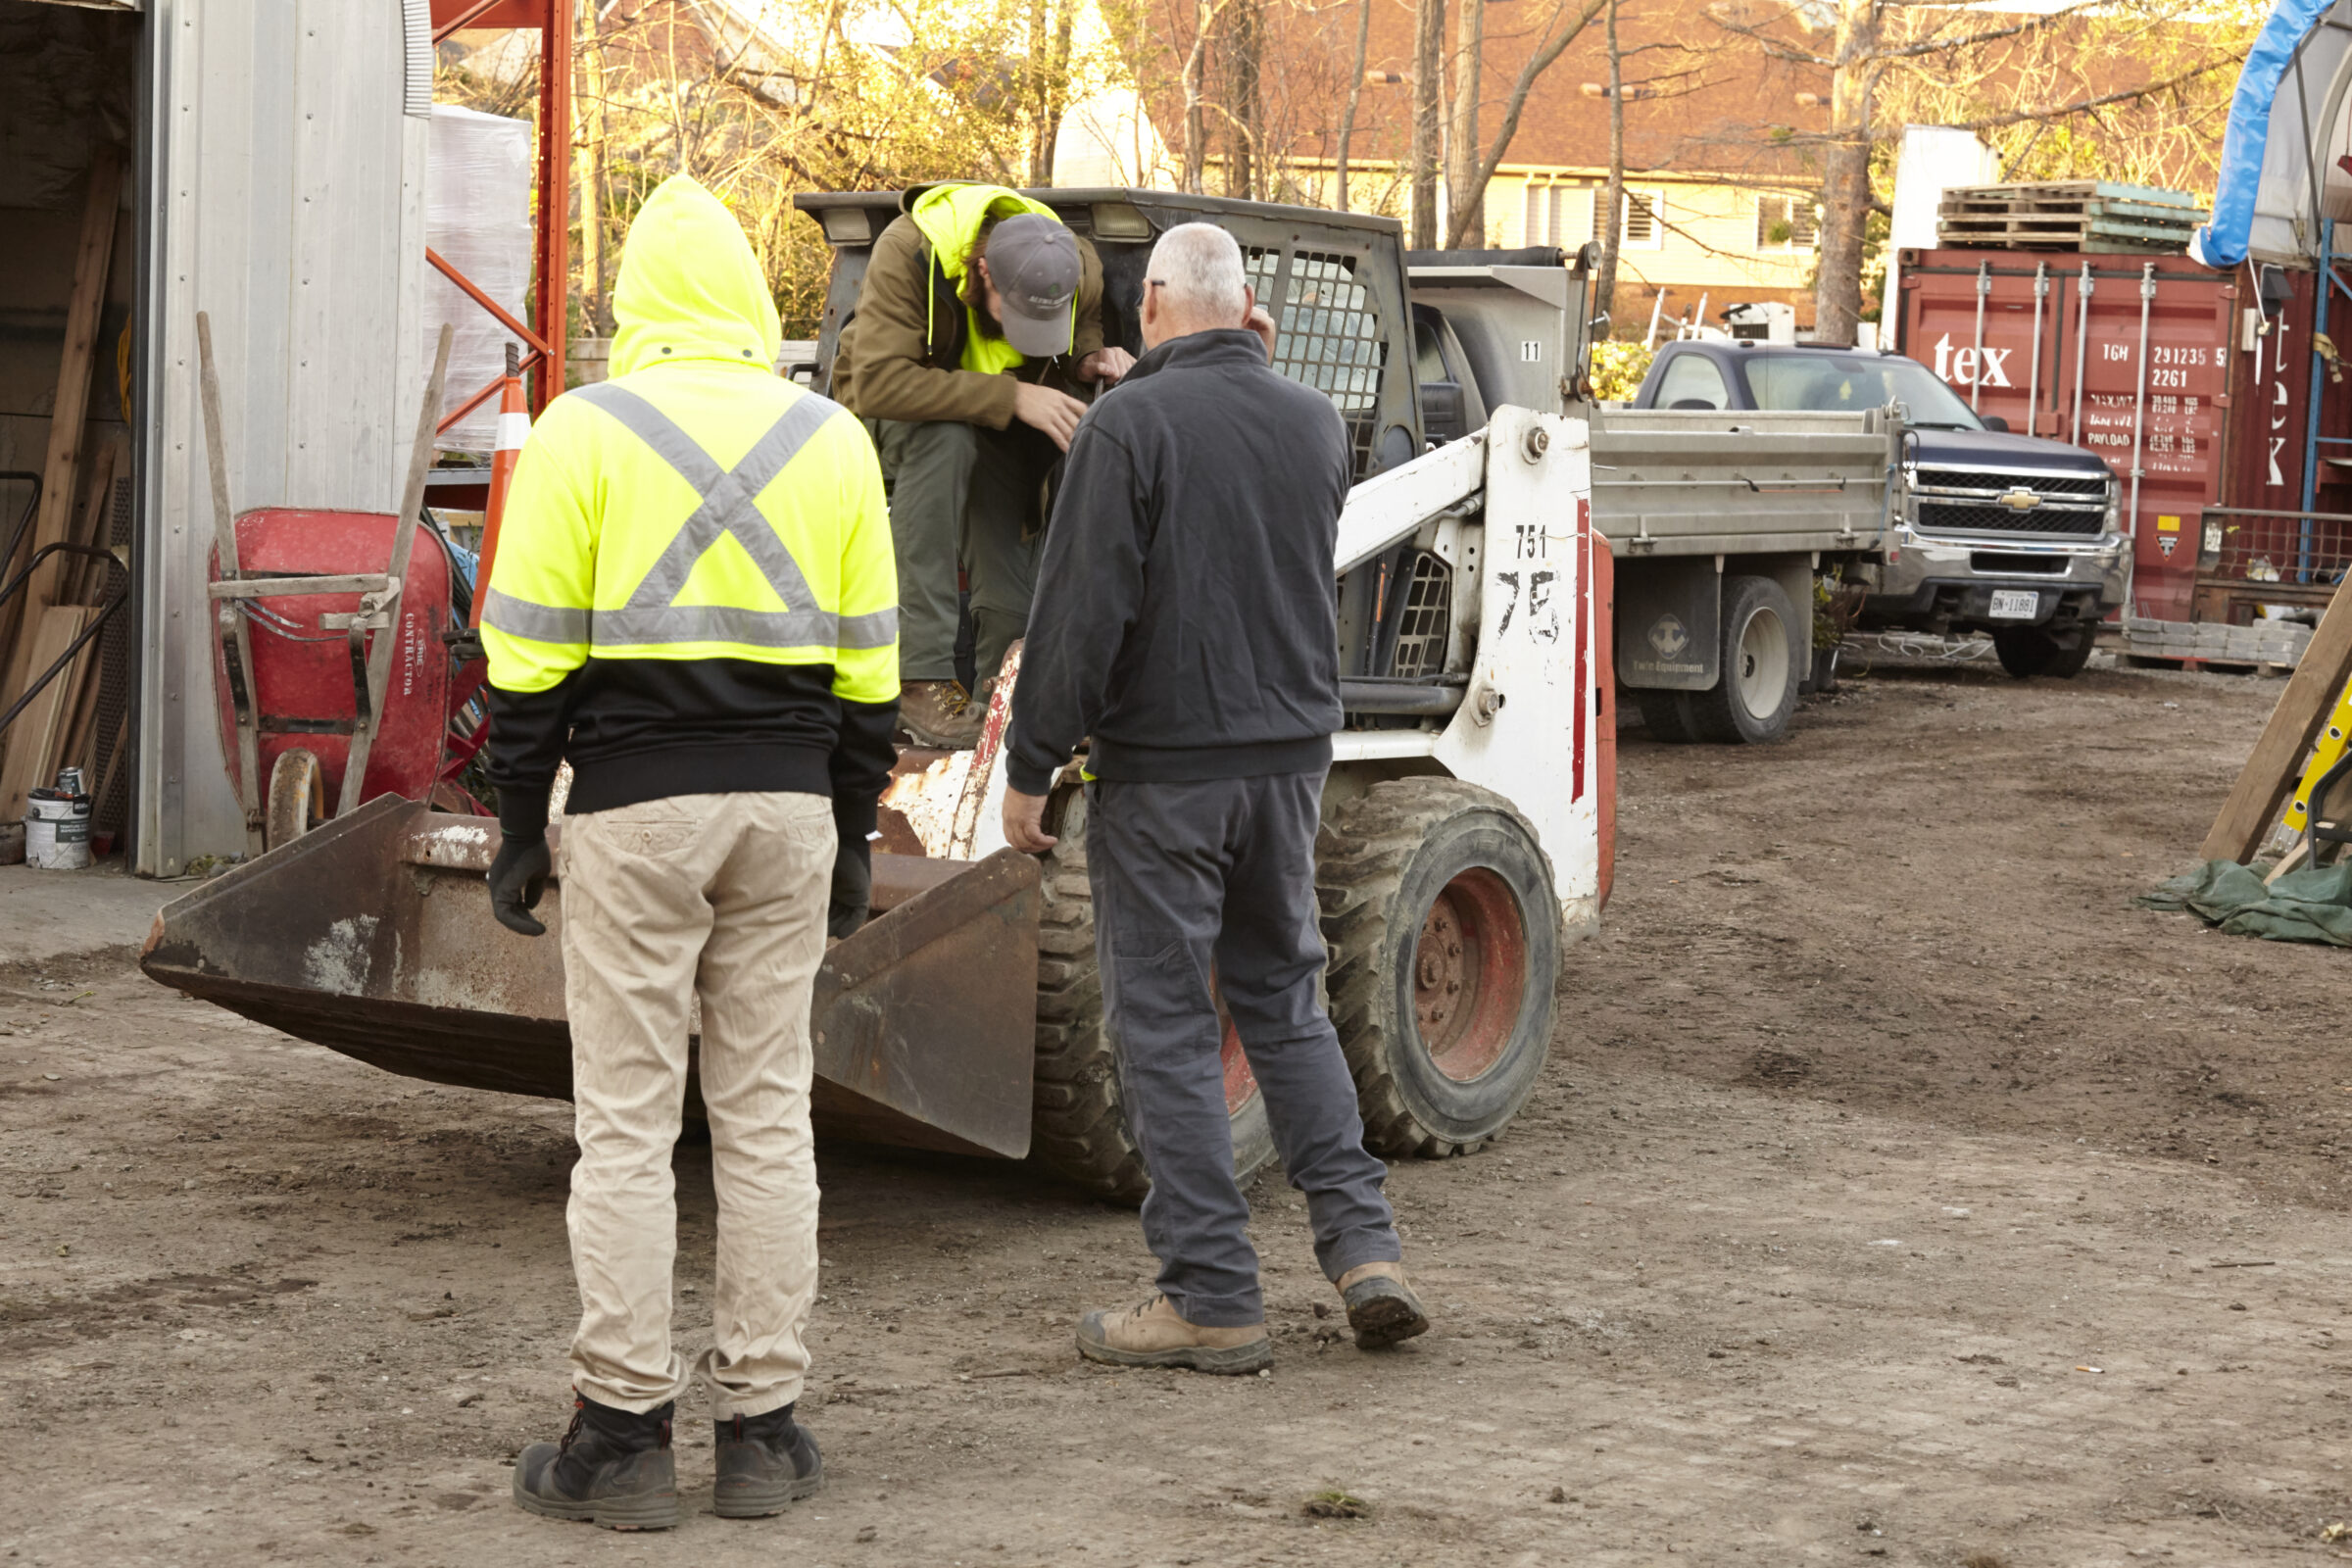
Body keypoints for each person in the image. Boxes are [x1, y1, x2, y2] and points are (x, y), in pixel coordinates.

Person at [477, 173, 900, 1529]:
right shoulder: (833, 438)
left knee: (627, 1130)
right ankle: (765, 1434)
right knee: (769, 1115)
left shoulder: (579, 433)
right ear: (748, 300)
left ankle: (624, 1435)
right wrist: (846, 836)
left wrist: (514, 829)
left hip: (634, 813)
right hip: (786, 809)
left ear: (639, 305)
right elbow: (872, 676)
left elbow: (525, 661)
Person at [1000, 221, 1429, 1374]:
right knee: (1286, 1003)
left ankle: (1211, 1297)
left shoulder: (1128, 425)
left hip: (1171, 772)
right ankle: (1365, 1251)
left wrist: (1029, 765)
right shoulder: (1310, 424)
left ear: (1147, 314)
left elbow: (1084, 611)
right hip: (1289, 761)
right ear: (1252, 313)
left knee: (1168, 1025)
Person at [831, 183, 1133, 748]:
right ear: (985, 272)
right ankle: (919, 678)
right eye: (1015, 316)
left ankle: (1009, 692)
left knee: (1009, 512)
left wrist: (1090, 357)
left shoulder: (1079, 262)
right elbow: (876, 382)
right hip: (894, 413)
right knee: (946, 440)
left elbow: (1081, 324)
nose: (1027, 336)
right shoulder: (909, 251)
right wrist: (1012, 398)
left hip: (989, 422)